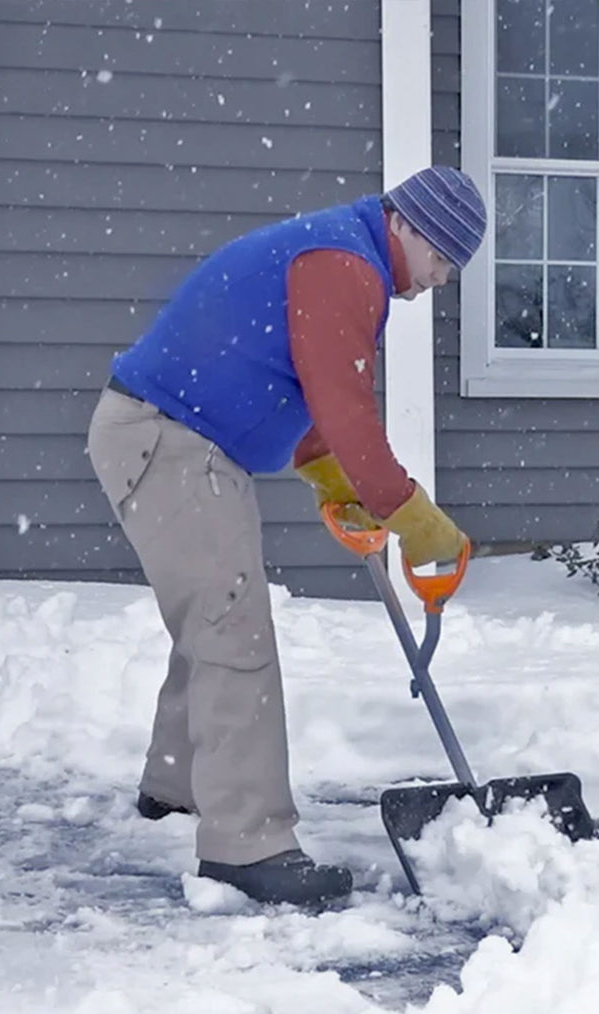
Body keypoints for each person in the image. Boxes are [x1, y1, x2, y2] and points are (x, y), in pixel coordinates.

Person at [86, 166, 487, 906]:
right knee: (233, 627)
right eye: (442, 261)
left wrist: (336, 482)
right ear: (409, 227)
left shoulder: (338, 252)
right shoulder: (345, 266)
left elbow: (302, 401)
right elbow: (346, 411)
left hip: (169, 438)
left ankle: (174, 789)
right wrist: (413, 518)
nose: (439, 281)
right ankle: (247, 845)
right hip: (169, 442)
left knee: (211, 617)